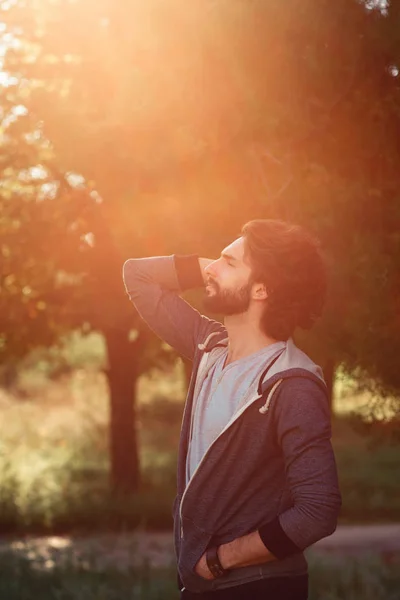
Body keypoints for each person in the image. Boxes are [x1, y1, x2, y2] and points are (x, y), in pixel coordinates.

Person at [122, 219, 341, 600]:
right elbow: (137, 274)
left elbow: (318, 510)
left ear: (262, 289)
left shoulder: (292, 385)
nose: (211, 267)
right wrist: (223, 271)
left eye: (228, 261)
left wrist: (220, 560)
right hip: (204, 587)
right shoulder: (208, 345)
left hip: (259, 586)